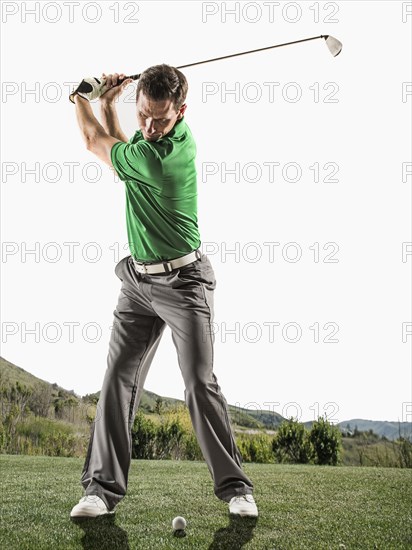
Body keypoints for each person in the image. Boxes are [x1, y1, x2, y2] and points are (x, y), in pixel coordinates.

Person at [69, 64, 258, 518]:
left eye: (161, 120)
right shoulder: (148, 145)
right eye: (144, 117)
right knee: (117, 377)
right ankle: (100, 490)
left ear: (182, 113)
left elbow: (97, 143)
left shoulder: (165, 156)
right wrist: (111, 104)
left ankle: (236, 490)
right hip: (137, 283)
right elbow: (123, 157)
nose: (151, 129)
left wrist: (79, 97)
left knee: (197, 380)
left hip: (183, 284)